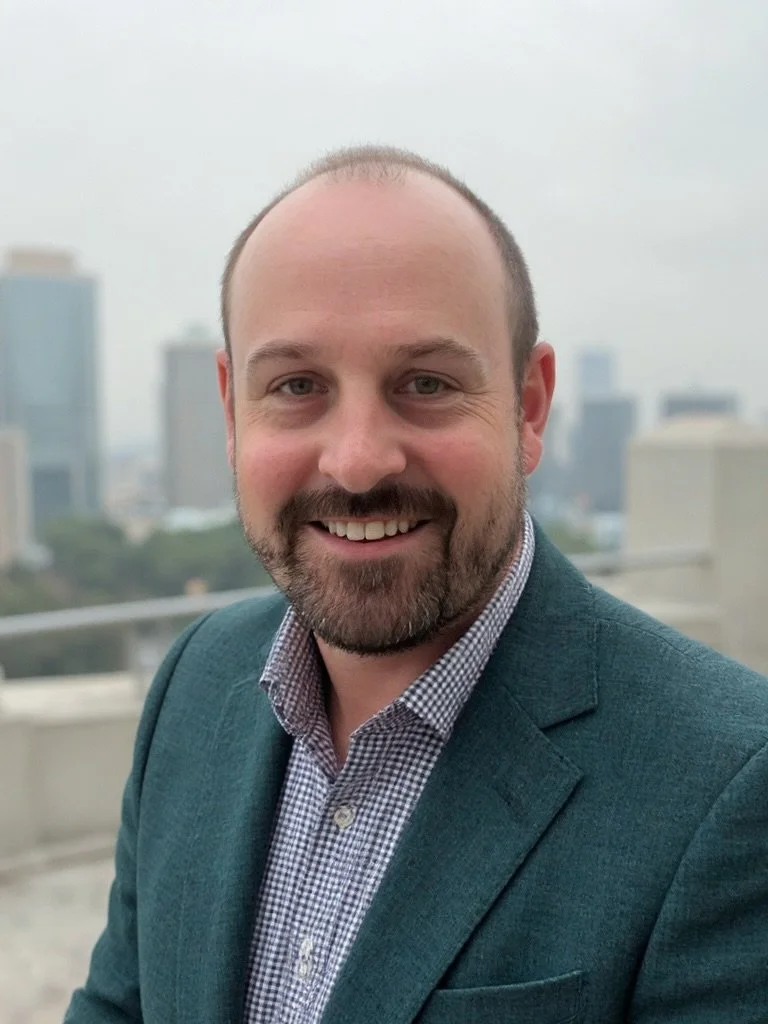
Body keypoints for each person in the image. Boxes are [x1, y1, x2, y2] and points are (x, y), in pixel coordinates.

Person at [65, 146, 768, 1024]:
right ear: (231, 411)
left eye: (427, 383)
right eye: (296, 386)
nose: (358, 462)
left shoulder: (731, 786)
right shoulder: (195, 681)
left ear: (529, 408)